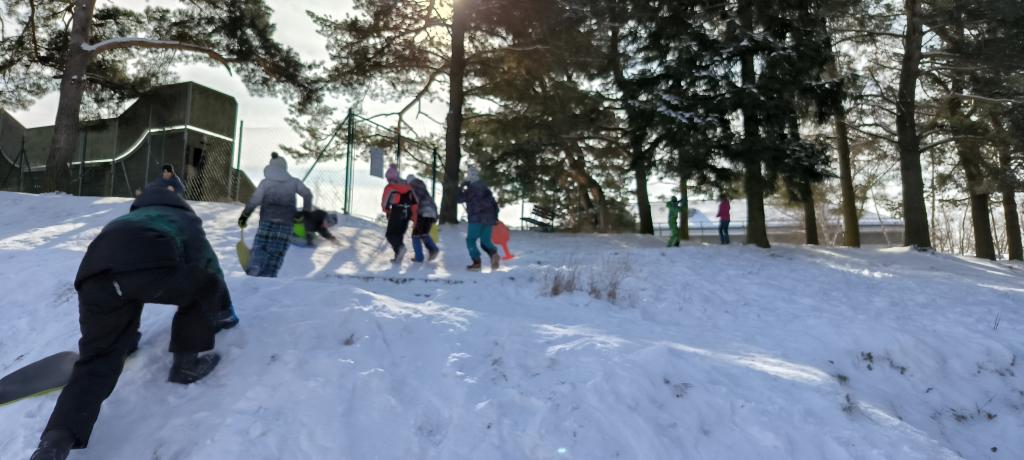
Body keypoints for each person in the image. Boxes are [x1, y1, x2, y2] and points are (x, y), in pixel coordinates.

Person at [30, 185, 233, 460]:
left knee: (97, 359)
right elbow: (207, 265)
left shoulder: (124, 219)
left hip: (94, 280)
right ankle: (186, 364)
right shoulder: (184, 219)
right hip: (146, 271)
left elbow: (120, 271)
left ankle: (53, 445)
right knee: (203, 284)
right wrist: (223, 311)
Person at [238, 152, 313, 277]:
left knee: (260, 247)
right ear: (284, 168)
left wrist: (244, 216)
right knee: (277, 252)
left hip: (266, 222)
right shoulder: (294, 182)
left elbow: (254, 200)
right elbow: (307, 194)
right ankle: (269, 275)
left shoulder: (265, 183)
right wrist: (305, 212)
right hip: (286, 224)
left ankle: (255, 267)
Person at [457, 166, 500, 271]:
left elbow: (459, 199)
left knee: (470, 240)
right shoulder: (486, 190)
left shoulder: (470, 190)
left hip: (476, 218)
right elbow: (495, 205)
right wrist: (495, 218)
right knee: (485, 240)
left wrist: (460, 188)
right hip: (489, 218)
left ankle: (476, 263)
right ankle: (494, 254)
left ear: (469, 178)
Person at [380, 165, 418, 263]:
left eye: (387, 178)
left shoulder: (390, 187)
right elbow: (414, 200)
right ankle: (398, 255)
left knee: (390, 234)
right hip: (408, 212)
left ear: (389, 178)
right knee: (399, 234)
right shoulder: (407, 185)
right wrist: (413, 215)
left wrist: (386, 210)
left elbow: (385, 201)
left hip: (397, 210)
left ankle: (400, 248)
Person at [406, 174, 440, 262]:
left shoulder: (412, 189)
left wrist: (410, 214)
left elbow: (414, 202)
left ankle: (419, 257)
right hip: (432, 213)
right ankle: (433, 249)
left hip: (422, 212)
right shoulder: (423, 189)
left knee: (415, 235)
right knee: (424, 233)